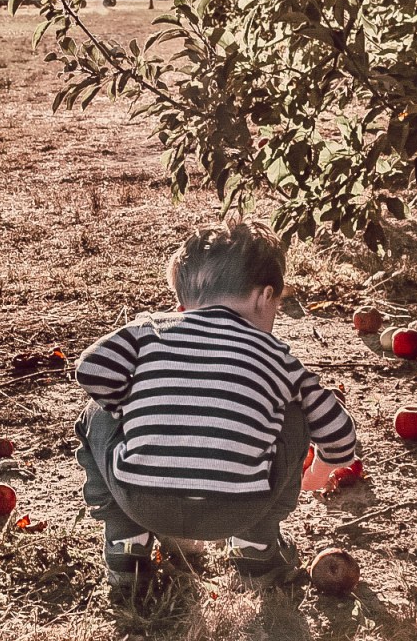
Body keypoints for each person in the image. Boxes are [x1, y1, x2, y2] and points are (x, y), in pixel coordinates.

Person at [74, 220, 357, 590]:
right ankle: (256, 549)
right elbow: (340, 435)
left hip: (142, 502)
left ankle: (126, 544)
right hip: (239, 510)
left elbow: (91, 369)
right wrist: (318, 472)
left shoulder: (151, 328)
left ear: (182, 304)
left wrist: (128, 408)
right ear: (264, 297)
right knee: (294, 412)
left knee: (96, 414)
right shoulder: (278, 357)